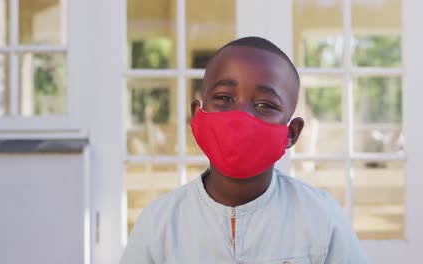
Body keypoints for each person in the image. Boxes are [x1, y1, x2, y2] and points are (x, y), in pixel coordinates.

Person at [120, 36, 369, 264]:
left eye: (264, 104)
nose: (241, 117)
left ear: (291, 133)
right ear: (197, 116)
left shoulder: (322, 218)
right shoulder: (159, 224)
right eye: (224, 98)